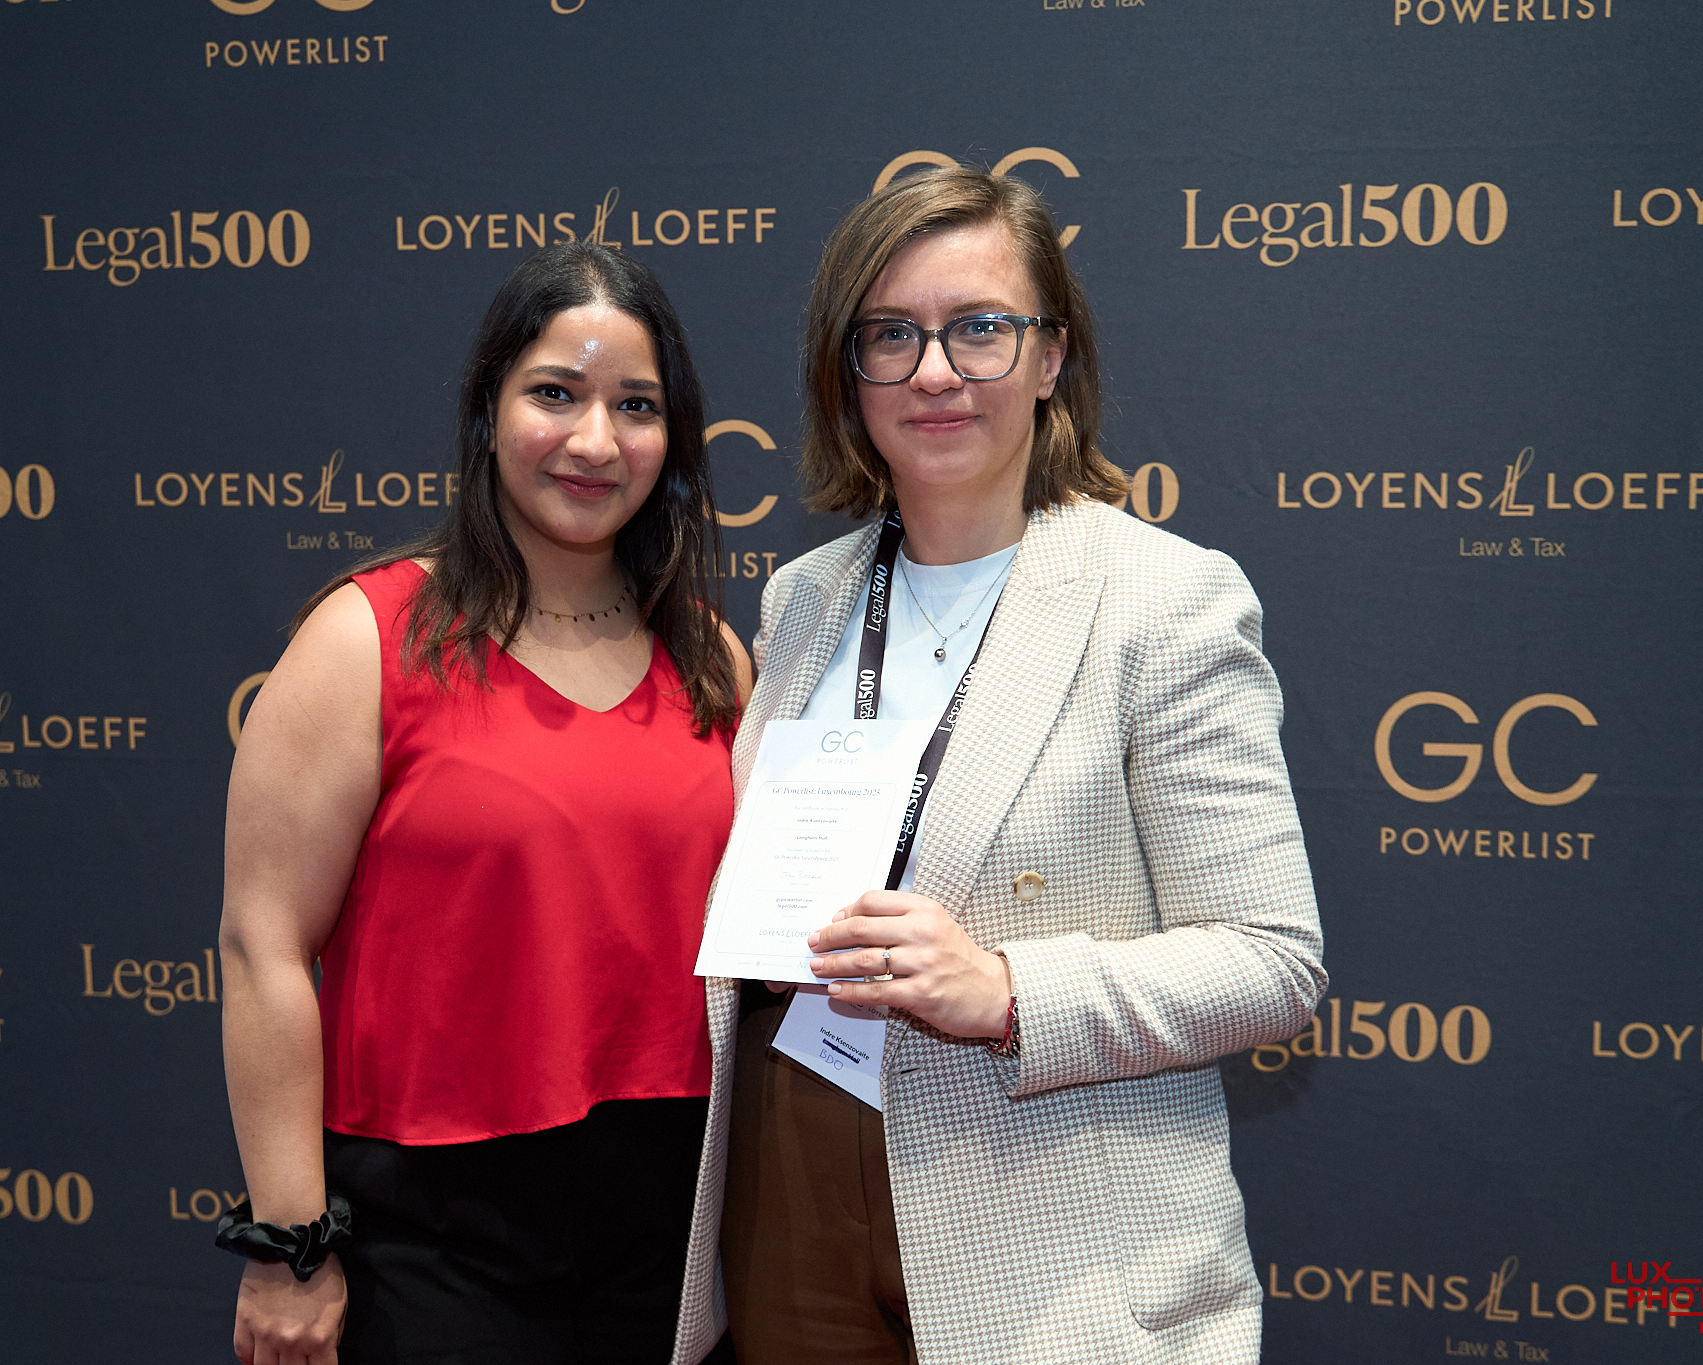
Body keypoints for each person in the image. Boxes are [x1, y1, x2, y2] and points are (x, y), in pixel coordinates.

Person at [694, 167, 1326, 1364]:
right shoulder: (804, 602)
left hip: (1049, 1222)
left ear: (1050, 356)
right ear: (847, 374)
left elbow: (1271, 961)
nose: (934, 372)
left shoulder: (1165, 601)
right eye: (890, 335)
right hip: (792, 1186)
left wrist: (1008, 990)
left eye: (978, 328)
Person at [217, 242, 751, 1365]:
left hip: (669, 1232)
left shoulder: (711, 658)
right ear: (487, 412)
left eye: (636, 405)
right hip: (432, 1238)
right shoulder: (366, 637)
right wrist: (288, 1245)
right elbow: (263, 944)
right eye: (554, 393)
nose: (595, 440)